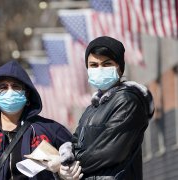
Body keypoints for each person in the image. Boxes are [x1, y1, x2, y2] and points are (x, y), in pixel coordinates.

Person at [57, 36, 155, 179]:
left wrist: (67, 162)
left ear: (120, 69)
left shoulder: (127, 101)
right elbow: (75, 142)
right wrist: (65, 156)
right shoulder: (92, 108)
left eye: (107, 64)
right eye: (94, 65)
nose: (100, 69)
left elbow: (109, 152)